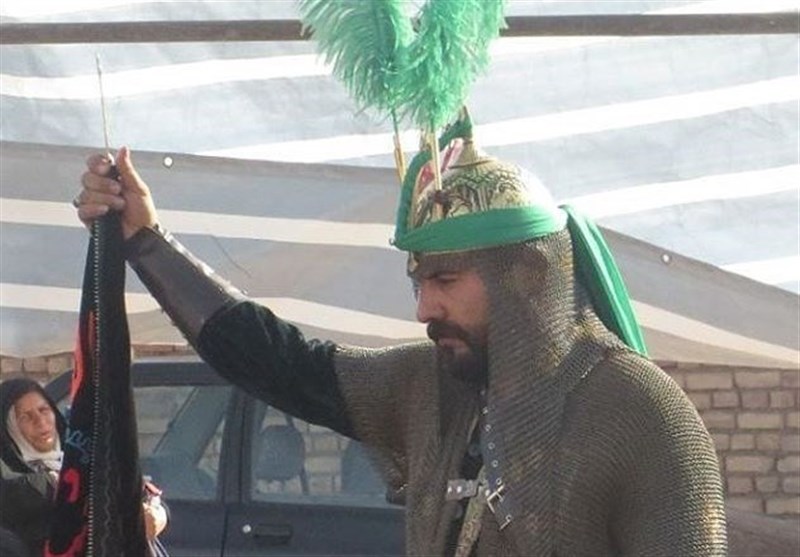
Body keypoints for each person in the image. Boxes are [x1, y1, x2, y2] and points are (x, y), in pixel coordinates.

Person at [73, 114, 727, 556]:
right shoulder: (429, 387)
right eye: (418, 282)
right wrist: (145, 242)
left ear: (526, 275)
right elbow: (278, 362)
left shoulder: (642, 413)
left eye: (445, 279)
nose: (423, 308)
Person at [0, 378, 169, 556]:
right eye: (25, 417)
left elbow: (138, 490)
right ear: (9, 427)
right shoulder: (13, 484)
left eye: (44, 410)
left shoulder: (81, 454)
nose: (41, 422)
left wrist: (159, 515)